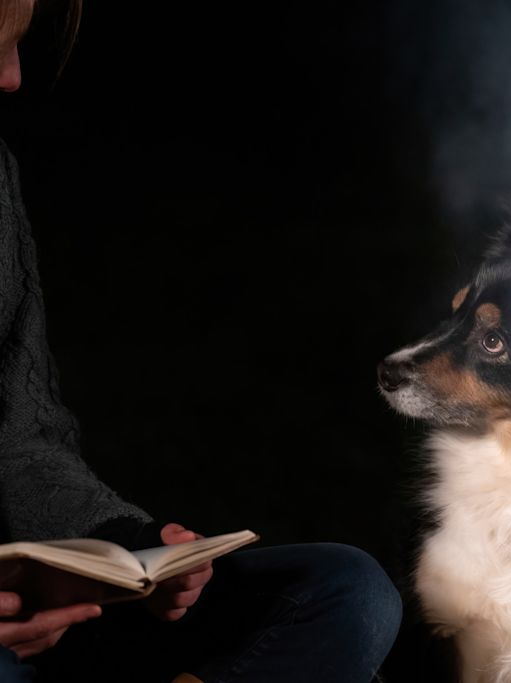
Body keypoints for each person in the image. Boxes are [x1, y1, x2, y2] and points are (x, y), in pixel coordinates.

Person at [0, 1, 401, 680]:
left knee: (345, 592)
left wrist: (132, 551)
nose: (12, 76)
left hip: (39, 615)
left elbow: (20, 437)